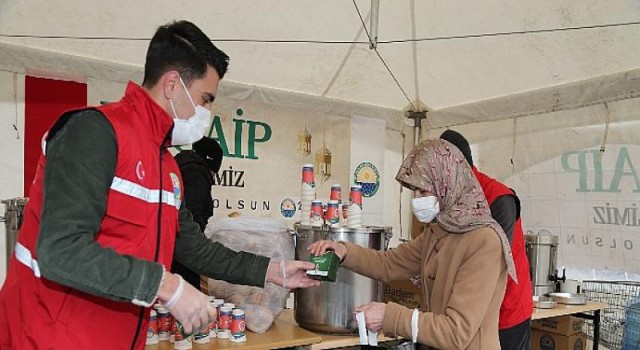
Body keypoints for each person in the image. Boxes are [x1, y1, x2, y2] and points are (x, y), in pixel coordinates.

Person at [0, 20, 319, 350]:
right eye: (205, 99)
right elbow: (62, 250)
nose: (207, 111)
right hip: (47, 338)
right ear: (172, 84)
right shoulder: (94, 133)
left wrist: (272, 270)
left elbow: (196, 248)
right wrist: (166, 286)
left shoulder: (166, 165)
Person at [308, 139, 517, 350]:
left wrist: (390, 316)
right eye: (414, 191)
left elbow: (456, 332)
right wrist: (345, 251)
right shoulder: (438, 232)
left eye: (423, 192)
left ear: (447, 183)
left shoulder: (484, 242)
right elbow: (388, 263)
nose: (416, 200)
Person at [440, 129, 533, 350]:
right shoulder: (451, 198)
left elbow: (493, 263)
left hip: (507, 310)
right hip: (471, 311)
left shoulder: (499, 199)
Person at [172, 137, 223, 288]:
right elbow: (193, 216)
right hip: (185, 254)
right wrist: (205, 247)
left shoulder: (180, 166)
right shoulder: (196, 174)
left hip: (173, 251)